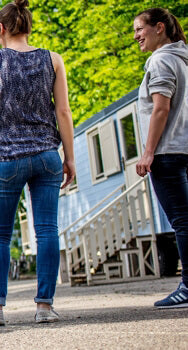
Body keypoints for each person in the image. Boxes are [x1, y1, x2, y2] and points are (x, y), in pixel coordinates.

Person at [0, 0, 76, 327]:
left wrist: (9, 116)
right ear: (28, 27)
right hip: (47, 155)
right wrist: (69, 157)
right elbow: (63, 112)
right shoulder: (53, 59)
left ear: (0, 29)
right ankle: (45, 307)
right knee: (47, 229)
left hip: (7, 158)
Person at [132, 8, 188, 309]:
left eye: (140, 29)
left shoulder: (161, 60)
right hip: (185, 148)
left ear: (160, 28)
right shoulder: (184, 58)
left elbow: (161, 109)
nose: (137, 36)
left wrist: (149, 151)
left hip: (167, 152)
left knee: (182, 221)